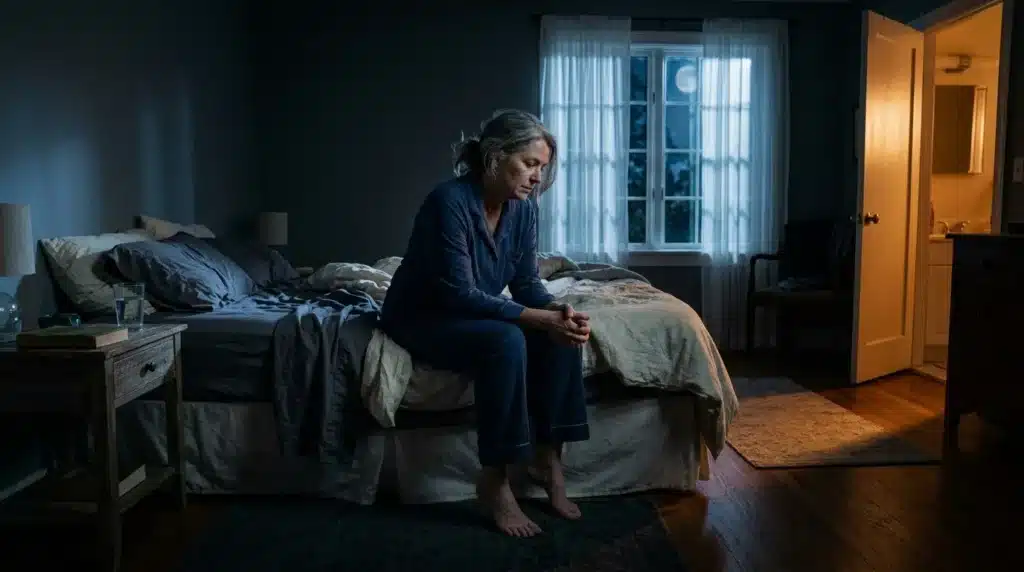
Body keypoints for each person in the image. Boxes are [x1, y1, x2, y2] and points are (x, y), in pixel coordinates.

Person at [379, 109, 591, 537]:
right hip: (421, 316)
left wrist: (558, 313)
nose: (536, 177)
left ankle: (548, 461)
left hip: (467, 313)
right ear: (494, 156)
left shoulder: (524, 210)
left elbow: (527, 283)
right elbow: (458, 294)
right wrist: (538, 318)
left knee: (560, 336)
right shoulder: (449, 202)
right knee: (506, 340)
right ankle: (494, 480)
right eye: (529, 164)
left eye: (542, 168)